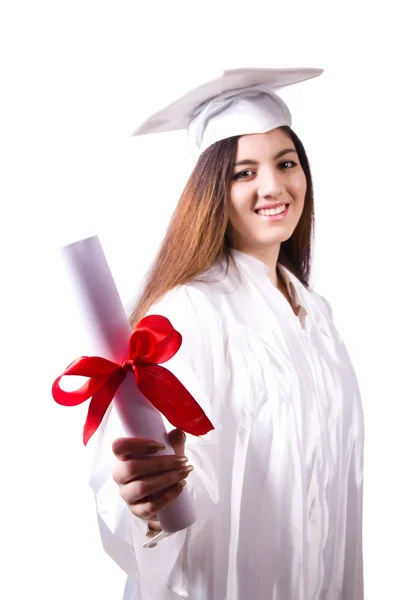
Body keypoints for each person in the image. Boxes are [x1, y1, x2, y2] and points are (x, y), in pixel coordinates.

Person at [89, 68, 365, 599]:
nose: (273, 186)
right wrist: (145, 505)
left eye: (286, 163)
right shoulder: (187, 314)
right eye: (244, 173)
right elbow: (145, 479)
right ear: (213, 191)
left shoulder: (316, 315)